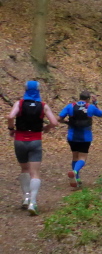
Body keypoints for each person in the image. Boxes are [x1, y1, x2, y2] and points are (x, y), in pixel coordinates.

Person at [6, 81, 59, 215]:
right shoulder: (43, 105)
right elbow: (54, 122)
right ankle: (33, 202)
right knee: (34, 172)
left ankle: (26, 197)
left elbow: (10, 116)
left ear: (25, 90)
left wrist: (11, 128)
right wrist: (46, 128)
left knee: (24, 169)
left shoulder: (19, 103)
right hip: (35, 140)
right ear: (38, 90)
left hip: (19, 140)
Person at [58, 91, 102, 188]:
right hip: (85, 137)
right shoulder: (90, 107)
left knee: (75, 157)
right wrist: (95, 103)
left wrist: (67, 122)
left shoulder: (70, 106)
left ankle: (77, 179)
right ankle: (75, 172)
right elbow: (101, 114)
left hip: (72, 136)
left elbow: (59, 118)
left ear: (79, 97)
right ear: (88, 99)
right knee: (82, 158)